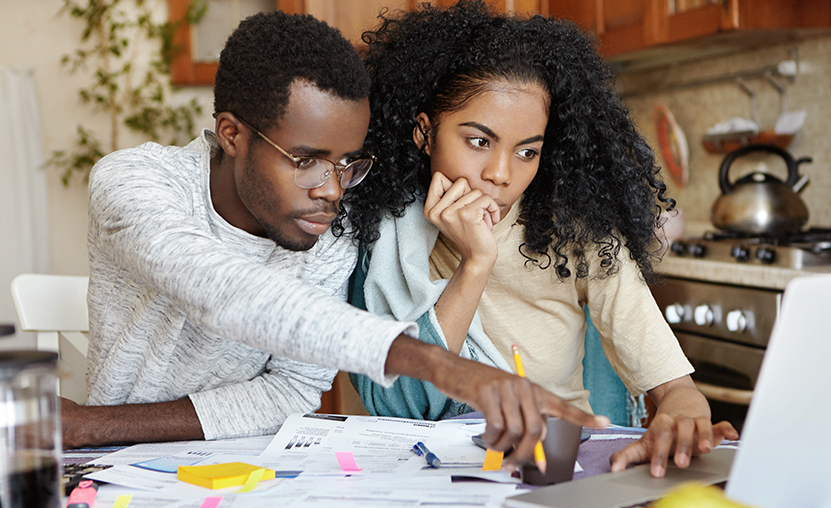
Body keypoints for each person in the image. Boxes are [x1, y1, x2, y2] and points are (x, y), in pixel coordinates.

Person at [63, 10, 604, 462]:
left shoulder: (329, 232)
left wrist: (88, 423)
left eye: (347, 163)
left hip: (260, 474)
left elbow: (291, 391)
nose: (331, 190)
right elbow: (222, 292)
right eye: (306, 160)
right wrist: (440, 366)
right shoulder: (134, 183)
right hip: (117, 464)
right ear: (232, 134)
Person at [344, 1, 738, 477]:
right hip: (434, 471)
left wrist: (683, 417)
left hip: (557, 465)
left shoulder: (576, 233)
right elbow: (400, 405)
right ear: (426, 133)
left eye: (527, 151)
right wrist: (476, 263)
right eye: (478, 141)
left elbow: (675, 389)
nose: (500, 174)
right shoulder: (379, 232)